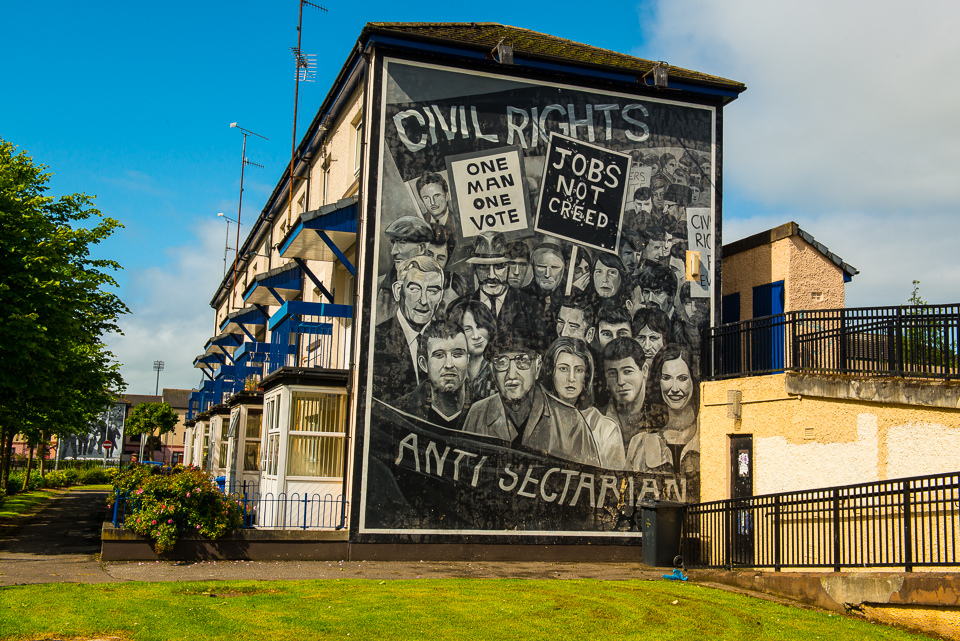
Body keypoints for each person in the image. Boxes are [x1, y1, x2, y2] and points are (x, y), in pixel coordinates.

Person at [463, 327, 601, 467]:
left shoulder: (570, 420)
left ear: (537, 366)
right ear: (492, 370)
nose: (511, 374)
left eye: (522, 361)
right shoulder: (477, 414)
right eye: (501, 362)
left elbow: (591, 482)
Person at [541, 338, 626, 470]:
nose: (571, 378)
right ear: (551, 372)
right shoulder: (535, 419)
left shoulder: (606, 429)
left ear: (586, 377)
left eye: (579, 370)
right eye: (563, 369)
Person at [372, 256, 445, 404]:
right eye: (415, 289)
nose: (424, 301)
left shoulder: (449, 340)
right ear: (398, 291)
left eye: (432, 291)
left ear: (441, 295)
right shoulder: (375, 340)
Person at [603, 337, 671, 473]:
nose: (620, 381)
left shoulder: (665, 418)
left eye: (627, 371)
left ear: (644, 370)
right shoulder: (597, 421)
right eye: (612, 373)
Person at [398, 320, 474, 430]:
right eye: (439, 355)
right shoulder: (399, 413)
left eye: (457, 354)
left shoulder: (485, 412)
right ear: (424, 364)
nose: (449, 364)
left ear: (468, 360)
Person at [466, 232, 543, 335]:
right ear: (475, 269)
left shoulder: (532, 307)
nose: (491, 276)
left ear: (508, 267)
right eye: (484, 267)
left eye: (499, 267)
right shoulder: (460, 308)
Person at [650, 346, 699, 496]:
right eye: (667, 378)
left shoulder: (706, 436)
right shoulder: (640, 444)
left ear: (693, 381)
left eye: (682, 378)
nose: (675, 388)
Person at [376, 216, 432, 322]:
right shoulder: (378, 286)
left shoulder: (441, 286)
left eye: (402, 242)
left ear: (422, 248)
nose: (394, 251)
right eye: (393, 242)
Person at [446, 297, 498, 400]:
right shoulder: (451, 368)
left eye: (479, 326)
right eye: (468, 329)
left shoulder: (497, 368)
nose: (476, 336)